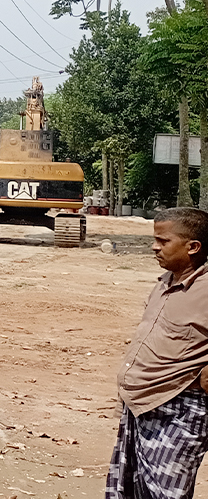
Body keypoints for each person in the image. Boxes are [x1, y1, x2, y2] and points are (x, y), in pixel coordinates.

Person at [106, 207, 208, 499]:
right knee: (133, 491)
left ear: (193, 247)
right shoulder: (166, 282)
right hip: (140, 405)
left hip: (178, 411)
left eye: (163, 241)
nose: (154, 247)